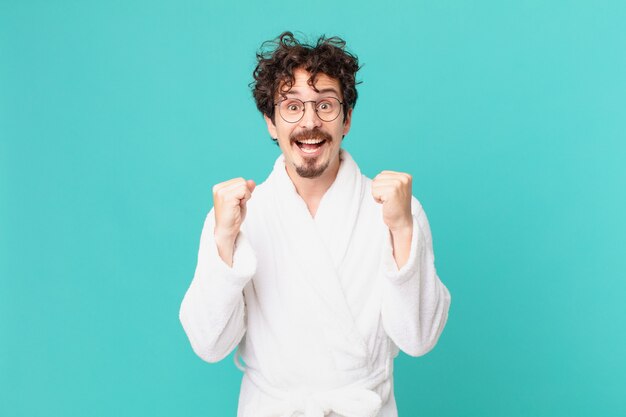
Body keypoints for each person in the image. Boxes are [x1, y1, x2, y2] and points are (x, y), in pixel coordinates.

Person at [179, 31, 451, 417]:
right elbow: (209, 346)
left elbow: (419, 339)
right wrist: (224, 240)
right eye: (291, 107)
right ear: (271, 123)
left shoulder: (396, 210)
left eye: (325, 105)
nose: (310, 122)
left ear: (347, 119)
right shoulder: (237, 217)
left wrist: (403, 230)